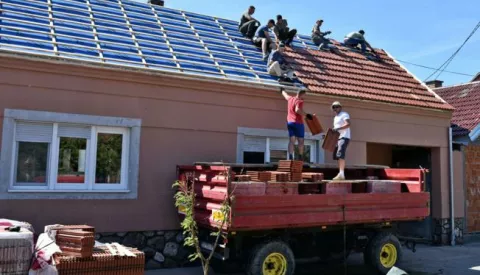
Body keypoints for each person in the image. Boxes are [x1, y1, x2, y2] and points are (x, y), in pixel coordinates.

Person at [281, 88, 312, 161]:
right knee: (301, 140)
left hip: (290, 122)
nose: (304, 96)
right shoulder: (299, 101)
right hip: (298, 123)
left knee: (292, 140)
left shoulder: (290, 99)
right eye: (304, 95)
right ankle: (300, 156)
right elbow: (297, 110)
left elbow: (285, 95)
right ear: (302, 94)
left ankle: (291, 156)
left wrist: (282, 91)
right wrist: (307, 115)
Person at [331, 101, 351, 180]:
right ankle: (340, 173)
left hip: (344, 137)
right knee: (337, 156)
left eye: (337, 106)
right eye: (334, 107)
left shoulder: (344, 114)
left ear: (340, 107)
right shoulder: (335, 117)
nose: (335, 108)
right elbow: (335, 129)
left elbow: (348, 124)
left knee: (340, 154)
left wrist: (338, 128)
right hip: (337, 138)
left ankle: (342, 173)